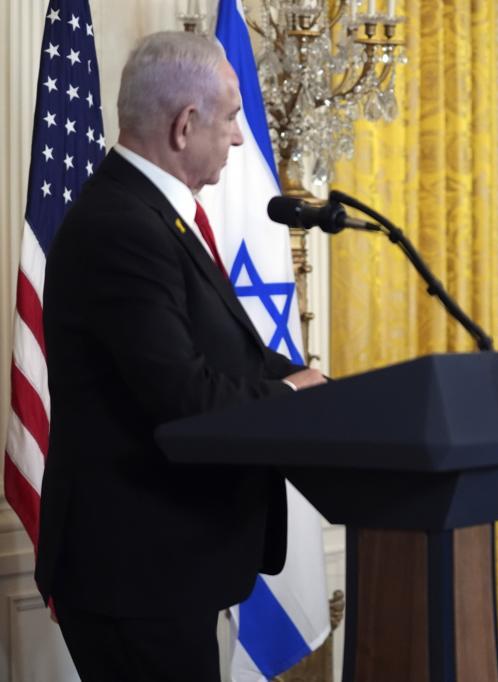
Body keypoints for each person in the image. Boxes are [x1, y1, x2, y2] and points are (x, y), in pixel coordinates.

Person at [36, 31, 326, 681]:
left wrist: (319, 383)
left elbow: (219, 351)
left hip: (167, 567)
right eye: (230, 119)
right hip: (136, 576)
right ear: (184, 124)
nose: (240, 138)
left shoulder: (152, 215)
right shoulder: (122, 226)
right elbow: (183, 397)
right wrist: (295, 397)